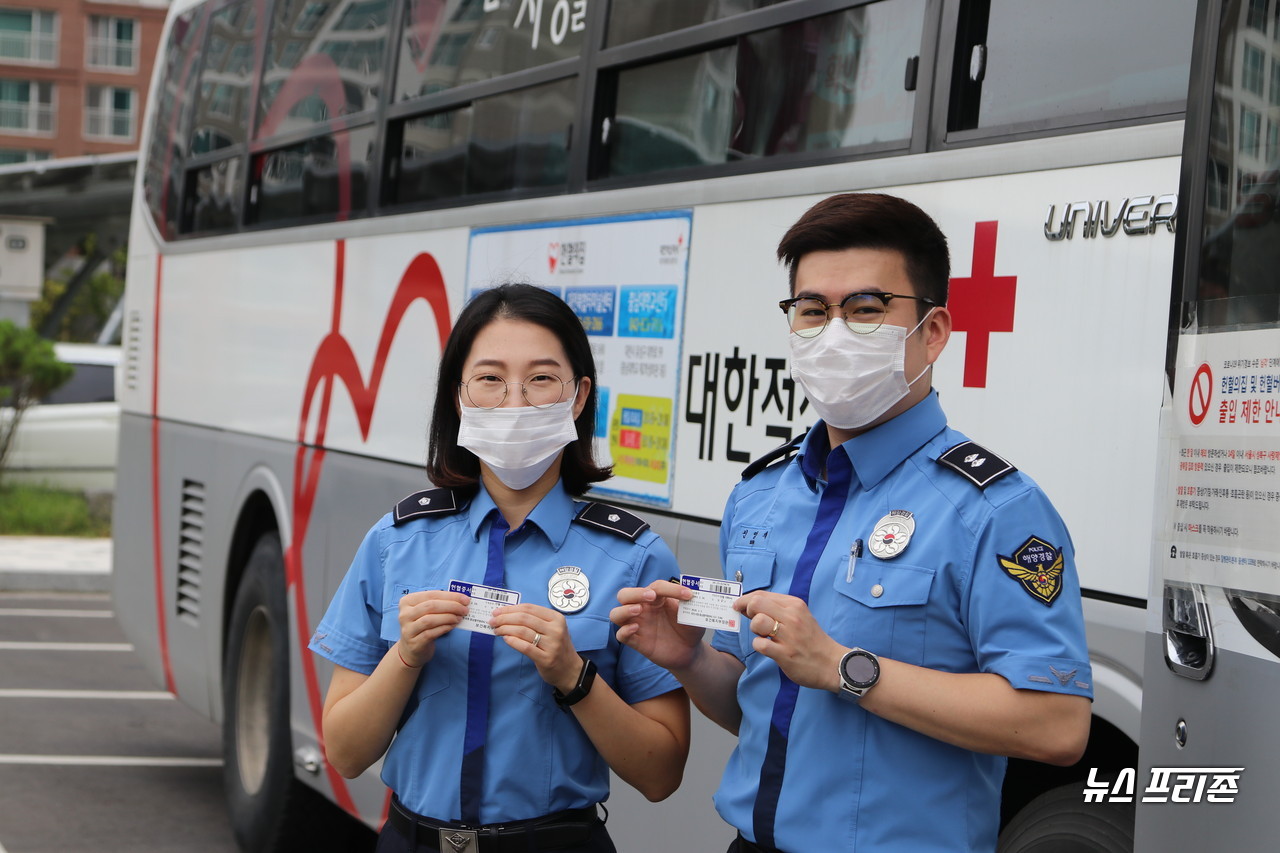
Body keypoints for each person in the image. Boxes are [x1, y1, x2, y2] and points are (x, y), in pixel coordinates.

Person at [610, 193, 1092, 853]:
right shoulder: (760, 496)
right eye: (812, 310)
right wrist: (692, 660)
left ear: (934, 331)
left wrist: (843, 665)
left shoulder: (995, 509)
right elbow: (761, 703)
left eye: (865, 309)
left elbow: (1057, 724)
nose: (832, 332)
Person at [310, 283, 690, 853]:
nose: (514, 401)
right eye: (489, 379)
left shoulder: (633, 555)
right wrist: (406, 655)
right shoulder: (397, 541)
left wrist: (573, 677)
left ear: (579, 395)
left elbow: (662, 774)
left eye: (541, 379)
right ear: (460, 397)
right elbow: (344, 751)